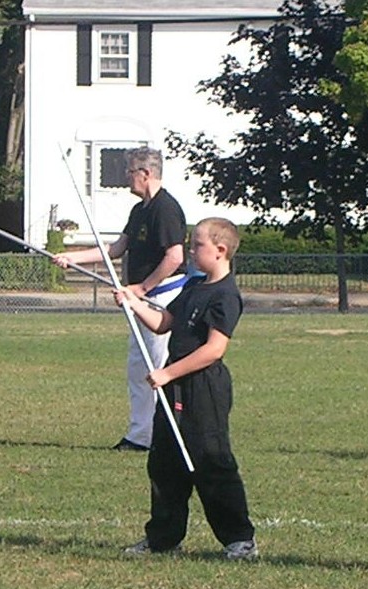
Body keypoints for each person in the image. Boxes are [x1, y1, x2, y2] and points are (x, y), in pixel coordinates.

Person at [114, 217, 256, 560]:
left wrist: (167, 372)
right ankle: (163, 538)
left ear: (221, 251)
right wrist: (134, 304)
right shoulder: (194, 287)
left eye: (197, 245)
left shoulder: (226, 295)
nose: (190, 251)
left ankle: (239, 539)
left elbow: (213, 350)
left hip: (203, 387)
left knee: (211, 460)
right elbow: (165, 323)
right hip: (174, 387)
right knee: (164, 462)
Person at [53, 146, 186, 451]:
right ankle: (141, 435)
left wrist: (141, 289)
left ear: (146, 173)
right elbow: (115, 249)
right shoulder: (139, 210)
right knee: (138, 368)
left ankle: (161, 436)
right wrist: (71, 259)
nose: (127, 179)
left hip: (161, 299)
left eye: (130, 173)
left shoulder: (165, 208)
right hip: (140, 300)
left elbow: (174, 257)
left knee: (156, 368)